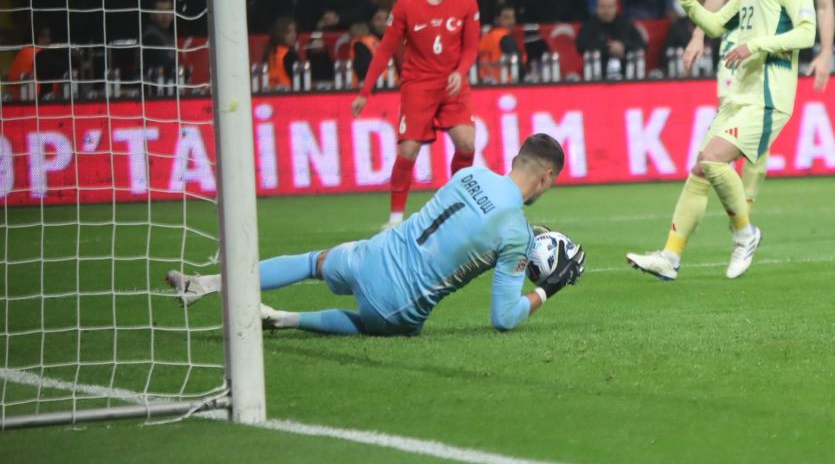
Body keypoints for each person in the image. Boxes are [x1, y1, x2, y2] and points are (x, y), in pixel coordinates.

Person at [166, 134, 584, 335]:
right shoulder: (514, 232)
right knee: (387, 326)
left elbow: (470, 221)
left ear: (515, 159)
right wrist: (548, 289)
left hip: (368, 256)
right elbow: (503, 318)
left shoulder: (470, 172)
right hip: (395, 303)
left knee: (314, 261)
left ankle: (207, 283)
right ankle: (284, 319)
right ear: (547, 178)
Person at [628, 0, 815, 282]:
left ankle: (745, 234)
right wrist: (687, 0)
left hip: (769, 97)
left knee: (713, 161)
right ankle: (670, 256)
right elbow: (714, 25)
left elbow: (807, 33)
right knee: (699, 170)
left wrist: (756, 45)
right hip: (739, 95)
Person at [681, 0, 834, 210]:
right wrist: (698, 34)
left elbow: (824, 7)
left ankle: (742, 215)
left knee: (756, 146)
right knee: (729, 132)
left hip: (778, 54)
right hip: (734, 49)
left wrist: (826, 51)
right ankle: (726, 211)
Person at [352, 0, 482, 229]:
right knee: (408, 151)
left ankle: (456, 205)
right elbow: (385, 48)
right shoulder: (406, 4)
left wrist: (460, 73)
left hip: (452, 83)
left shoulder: (466, 1)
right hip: (418, 85)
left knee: (467, 143)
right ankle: (395, 219)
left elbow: (472, 47)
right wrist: (365, 92)